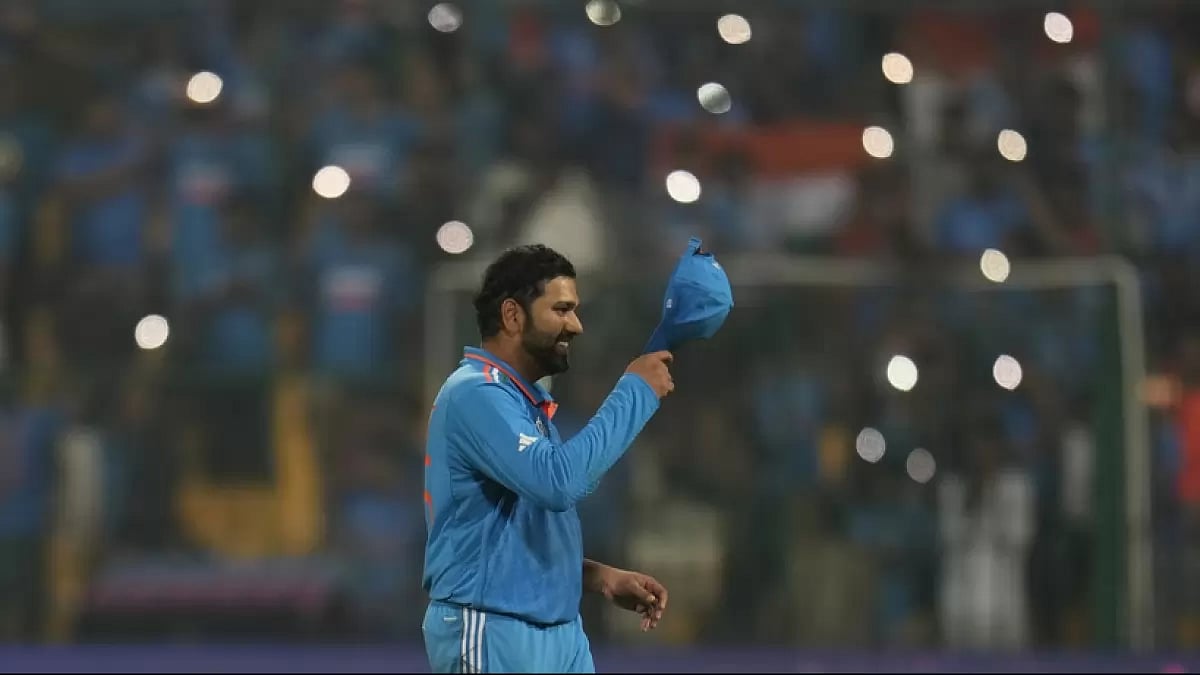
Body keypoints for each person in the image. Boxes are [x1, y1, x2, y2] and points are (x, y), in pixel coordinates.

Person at [421, 244, 676, 673]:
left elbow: (508, 538)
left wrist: (597, 577)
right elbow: (558, 482)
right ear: (513, 315)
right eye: (561, 309)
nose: (575, 325)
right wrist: (634, 391)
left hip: (559, 631)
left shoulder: (522, 402)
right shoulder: (475, 393)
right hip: (492, 628)